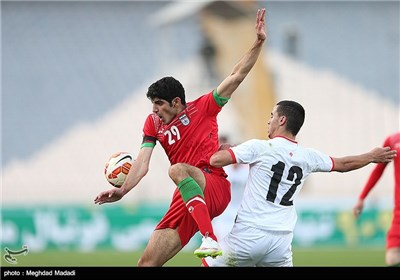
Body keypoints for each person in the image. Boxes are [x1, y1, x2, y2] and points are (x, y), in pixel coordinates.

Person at [94, 8, 267, 267]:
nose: (154, 110)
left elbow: (236, 76)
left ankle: (209, 238)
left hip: (214, 186)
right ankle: (205, 235)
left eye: (159, 103)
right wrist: (123, 190)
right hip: (187, 195)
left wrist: (258, 42)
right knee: (146, 264)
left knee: (177, 169)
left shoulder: (205, 106)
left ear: (176, 102)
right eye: (152, 103)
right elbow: (142, 163)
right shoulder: (153, 123)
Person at [202, 100, 397, 267]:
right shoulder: (308, 156)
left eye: (272, 115)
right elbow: (344, 164)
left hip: (250, 234)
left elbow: (215, 161)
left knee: (209, 261)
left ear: (282, 120)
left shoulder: (259, 147)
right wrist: (371, 156)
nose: (268, 121)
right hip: (281, 241)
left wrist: (224, 149)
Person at [353, 131, 400, 267]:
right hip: (399, 210)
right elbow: (379, 169)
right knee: (392, 257)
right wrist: (362, 197)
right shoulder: (393, 140)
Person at [212, 135, 249, 240]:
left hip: (240, 210)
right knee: (221, 242)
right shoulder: (224, 170)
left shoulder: (247, 171)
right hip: (224, 211)